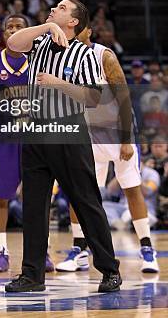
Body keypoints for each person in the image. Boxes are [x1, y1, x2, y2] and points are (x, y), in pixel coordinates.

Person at [5, 0, 121, 294]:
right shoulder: (41, 42)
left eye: (60, 8)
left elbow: (93, 98)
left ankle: (110, 271)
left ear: (73, 22)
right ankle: (32, 275)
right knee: (33, 205)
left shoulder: (84, 54)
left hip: (68, 129)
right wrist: (45, 25)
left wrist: (58, 83)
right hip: (35, 130)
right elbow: (14, 43)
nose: (53, 9)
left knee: (86, 201)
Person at [56, 26, 159, 274]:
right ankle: (79, 250)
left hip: (115, 131)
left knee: (132, 189)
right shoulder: (63, 58)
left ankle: (147, 250)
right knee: (80, 192)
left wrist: (126, 139)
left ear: (88, 32)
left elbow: (124, 98)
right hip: (87, 133)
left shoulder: (104, 56)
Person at [0, 15, 55, 273]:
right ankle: (1, 252)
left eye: (20, 27)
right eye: (9, 26)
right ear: (3, 33)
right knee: (0, 196)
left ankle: (41, 252)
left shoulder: (40, 60)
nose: (14, 30)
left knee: (40, 198)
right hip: (7, 138)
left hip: (36, 136)